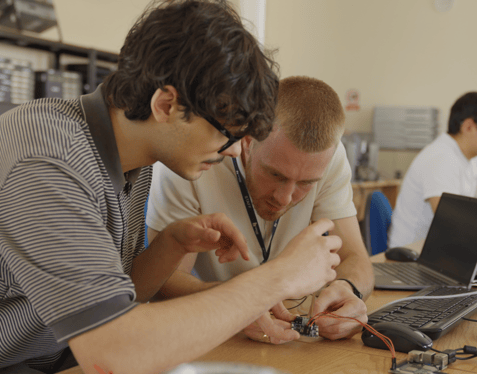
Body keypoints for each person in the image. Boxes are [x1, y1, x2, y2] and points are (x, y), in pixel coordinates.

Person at [0, 2, 342, 374]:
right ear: (166, 104)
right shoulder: (48, 161)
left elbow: (114, 300)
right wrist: (278, 278)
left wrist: (170, 246)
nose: (230, 153)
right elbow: (114, 351)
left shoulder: (131, 156)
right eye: (226, 134)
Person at [146, 76, 374, 343]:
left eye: (306, 183)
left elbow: (356, 258)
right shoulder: (193, 159)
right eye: (275, 175)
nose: (285, 197)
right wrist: (239, 302)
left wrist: (349, 291)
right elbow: (163, 281)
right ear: (247, 141)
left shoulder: (330, 158)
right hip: (216, 336)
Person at [389, 92, 477, 248]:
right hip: (411, 256)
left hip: (442, 251)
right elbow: (451, 223)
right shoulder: (442, 158)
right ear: (468, 126)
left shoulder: (468, 159)